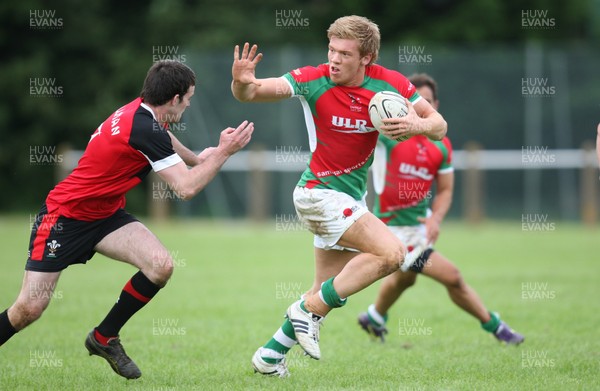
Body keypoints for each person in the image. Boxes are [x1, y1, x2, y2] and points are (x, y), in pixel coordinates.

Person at [0, 60, 254, 379]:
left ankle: (104, 337)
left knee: (160, 265)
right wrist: (223, 153)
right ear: (174, 99)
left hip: (105, 216)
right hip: (64, 218)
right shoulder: (145, 128)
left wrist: (200, 157)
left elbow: (165, 141)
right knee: (28, 310)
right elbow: (186, 188)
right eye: (188, 98)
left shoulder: (142, 113)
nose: (189, 104)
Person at [232, 15, 447, 377]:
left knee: (323, 291)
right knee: (393, 253)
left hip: (350, 200)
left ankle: (269, 357)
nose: (334, 59)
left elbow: (440, 126)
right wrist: (240, 82)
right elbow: (253, 92)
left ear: (367, 58)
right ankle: (306, 311)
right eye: (331, 49)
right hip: (318, 194)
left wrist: (417, 125)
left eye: (344, 53)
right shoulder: (312, 79)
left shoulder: (390, 85)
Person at [357, 73, 524, 345]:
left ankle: (374, 316)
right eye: (414, 102)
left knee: (405, 280)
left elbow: (445, 190)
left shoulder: (441, 145)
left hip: (419, 229)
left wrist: (436, 218)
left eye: (427, 103)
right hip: (394, 231)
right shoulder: (389, 135)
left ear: (435, 106)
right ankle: (498, 328)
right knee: (453, 277)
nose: (419, 109)